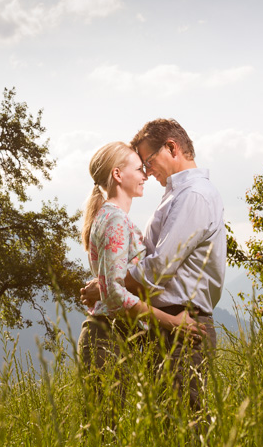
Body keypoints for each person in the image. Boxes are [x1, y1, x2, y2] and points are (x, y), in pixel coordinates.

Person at [81, 119, 226, 410]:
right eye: (141, 166)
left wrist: (111, 286)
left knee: (185, 427)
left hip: (184, 323)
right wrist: (110, 285)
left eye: (147, 161)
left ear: (171, 147)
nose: (147, 171)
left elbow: (160, 265)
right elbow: (141, 262)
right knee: (166, 430)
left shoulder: (193, 195)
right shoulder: (171, 197)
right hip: (165, 323)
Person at [76, 141, 197, 373]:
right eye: (140, 169)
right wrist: (172, 323)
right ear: (118, 174)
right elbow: (114, 293)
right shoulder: (115, 220)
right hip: (109, 341)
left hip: (115, 340)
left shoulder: (109, 216)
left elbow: (111, 285)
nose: (146, 175)